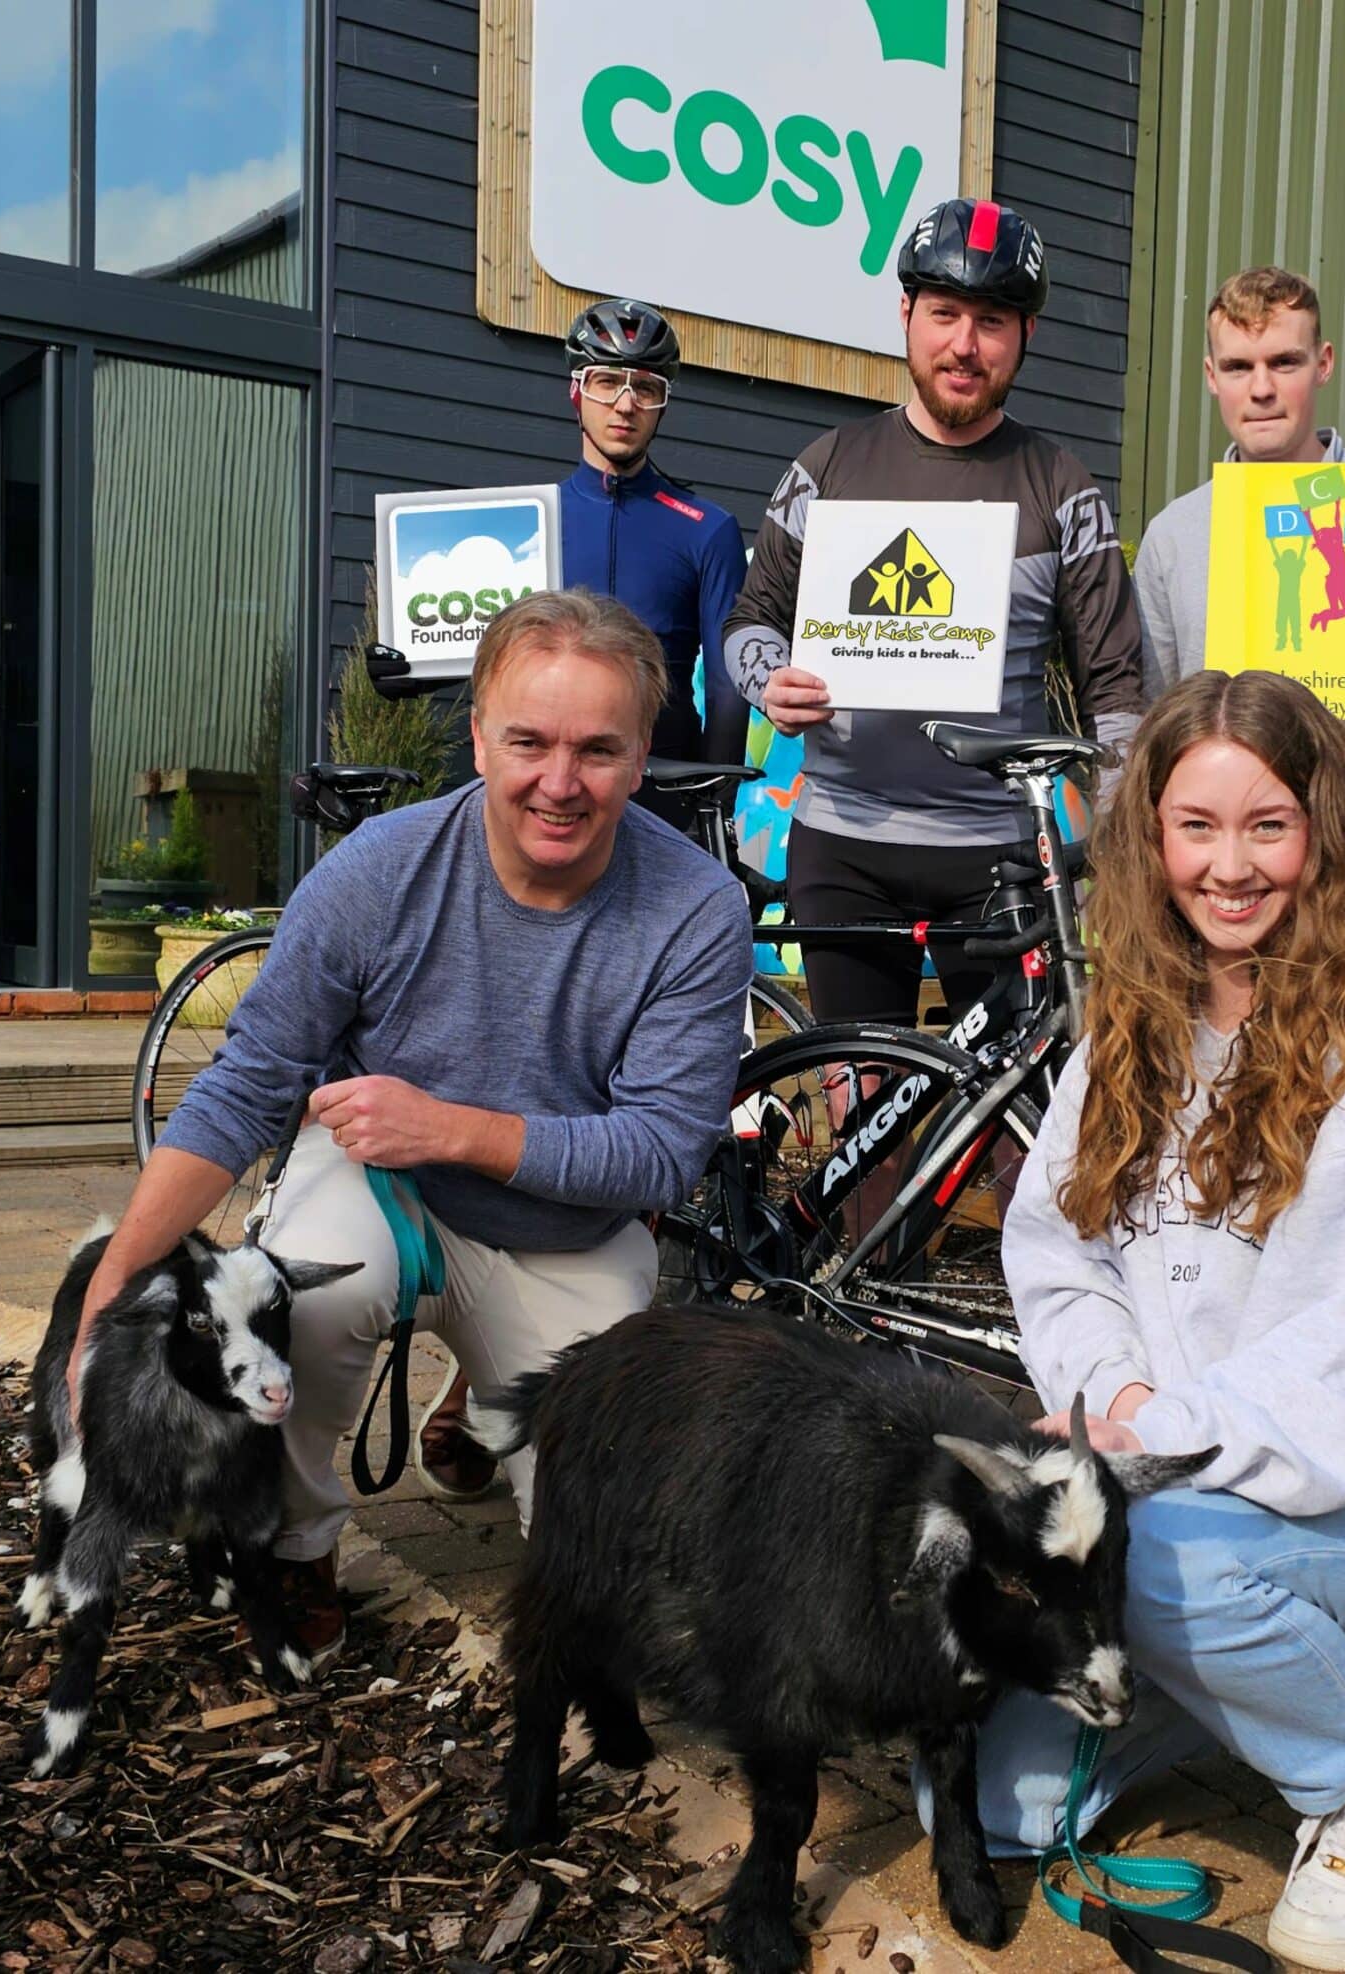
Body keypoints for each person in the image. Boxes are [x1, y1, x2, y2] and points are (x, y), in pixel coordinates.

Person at [950, 669, 1345, 1972]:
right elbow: (1059, 1248)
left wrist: (1144, 1439)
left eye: (1267, 824)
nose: (1231, 865)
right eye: (1197, 825)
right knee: (1007, 1805)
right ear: (1151, 838)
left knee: (1151, 1555)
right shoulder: (1131, 1021)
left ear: (1325, 832)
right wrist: (1108, 1393)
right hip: (1188, 1476)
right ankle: (1200, 1682)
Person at [68, 589, 753, 1664]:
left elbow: (665, 1149)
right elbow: (245, 1085)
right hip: (380, 1187)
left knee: (618, 1587)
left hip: (567, 1231)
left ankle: (494, 1398)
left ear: (640, 754)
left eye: (597, 750)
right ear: (477, 735)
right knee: (298, 1299)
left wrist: (453, 1127)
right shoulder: (378, 870)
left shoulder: (699, 908)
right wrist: (112, 1291)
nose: (558, 783)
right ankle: (297, 1547)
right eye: (527, 740)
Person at [723, 196, 1146, 1029]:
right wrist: (773, 683)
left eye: (992, 320)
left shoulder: (1063, 489)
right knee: (864, 1112)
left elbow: (1117, 689)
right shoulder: (827, 468)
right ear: (906, 313)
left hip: (1000, 856)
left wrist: (1125, 855)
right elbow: (750, 623)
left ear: (1027, 334)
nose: (963, 343)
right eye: (944, 313)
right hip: (842, 844)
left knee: (1014, 1115)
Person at [1130, 266, 1345, 794]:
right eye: (1238, 367)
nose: (1262, 389)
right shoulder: (1173, 535)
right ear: (1210, 375)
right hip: (1227, 845)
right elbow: (1155, 714)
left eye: (1284, 362)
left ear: (1324, 363)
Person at [555, 299, 753, 827]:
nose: (625, 404)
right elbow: (483, 658)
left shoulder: (707, 528)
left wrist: (718, 810)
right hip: (551, 788)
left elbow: (727, 686)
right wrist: (411, 675)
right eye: (606, 381)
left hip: (666, 796)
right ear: (576, 390)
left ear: (662, 404)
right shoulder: (528, 520)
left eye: (645, 388)